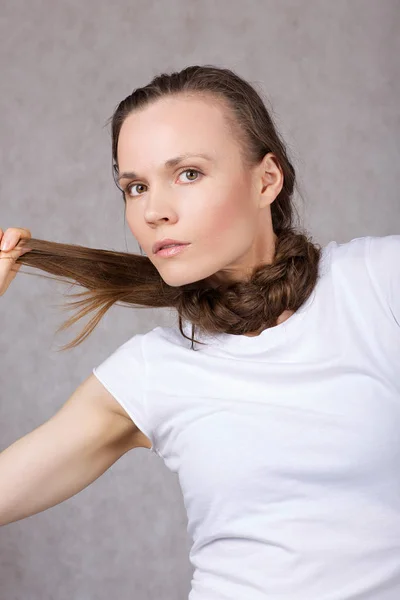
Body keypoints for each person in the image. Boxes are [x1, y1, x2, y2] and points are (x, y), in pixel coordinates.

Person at [0, 65, 399, 599]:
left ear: (267, 180)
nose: (153, 211)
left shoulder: (376, 282)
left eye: (188, 173)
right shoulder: (148, 373)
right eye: (135, 187)